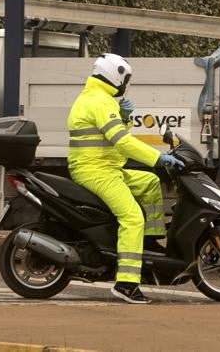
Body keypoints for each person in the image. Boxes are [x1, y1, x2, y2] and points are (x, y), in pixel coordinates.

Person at [67, 53, 184, 304]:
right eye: (126, 78)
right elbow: (122, 141)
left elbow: (113, 134)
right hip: (96, 170)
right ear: (115, 74)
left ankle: (149, 245)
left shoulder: (99, 98)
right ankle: (127, 284)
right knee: (132, 217)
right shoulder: (100, 101)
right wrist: (157, 158)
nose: (126, 83)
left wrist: (122, 116)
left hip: (108, 167)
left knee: (151, 183)